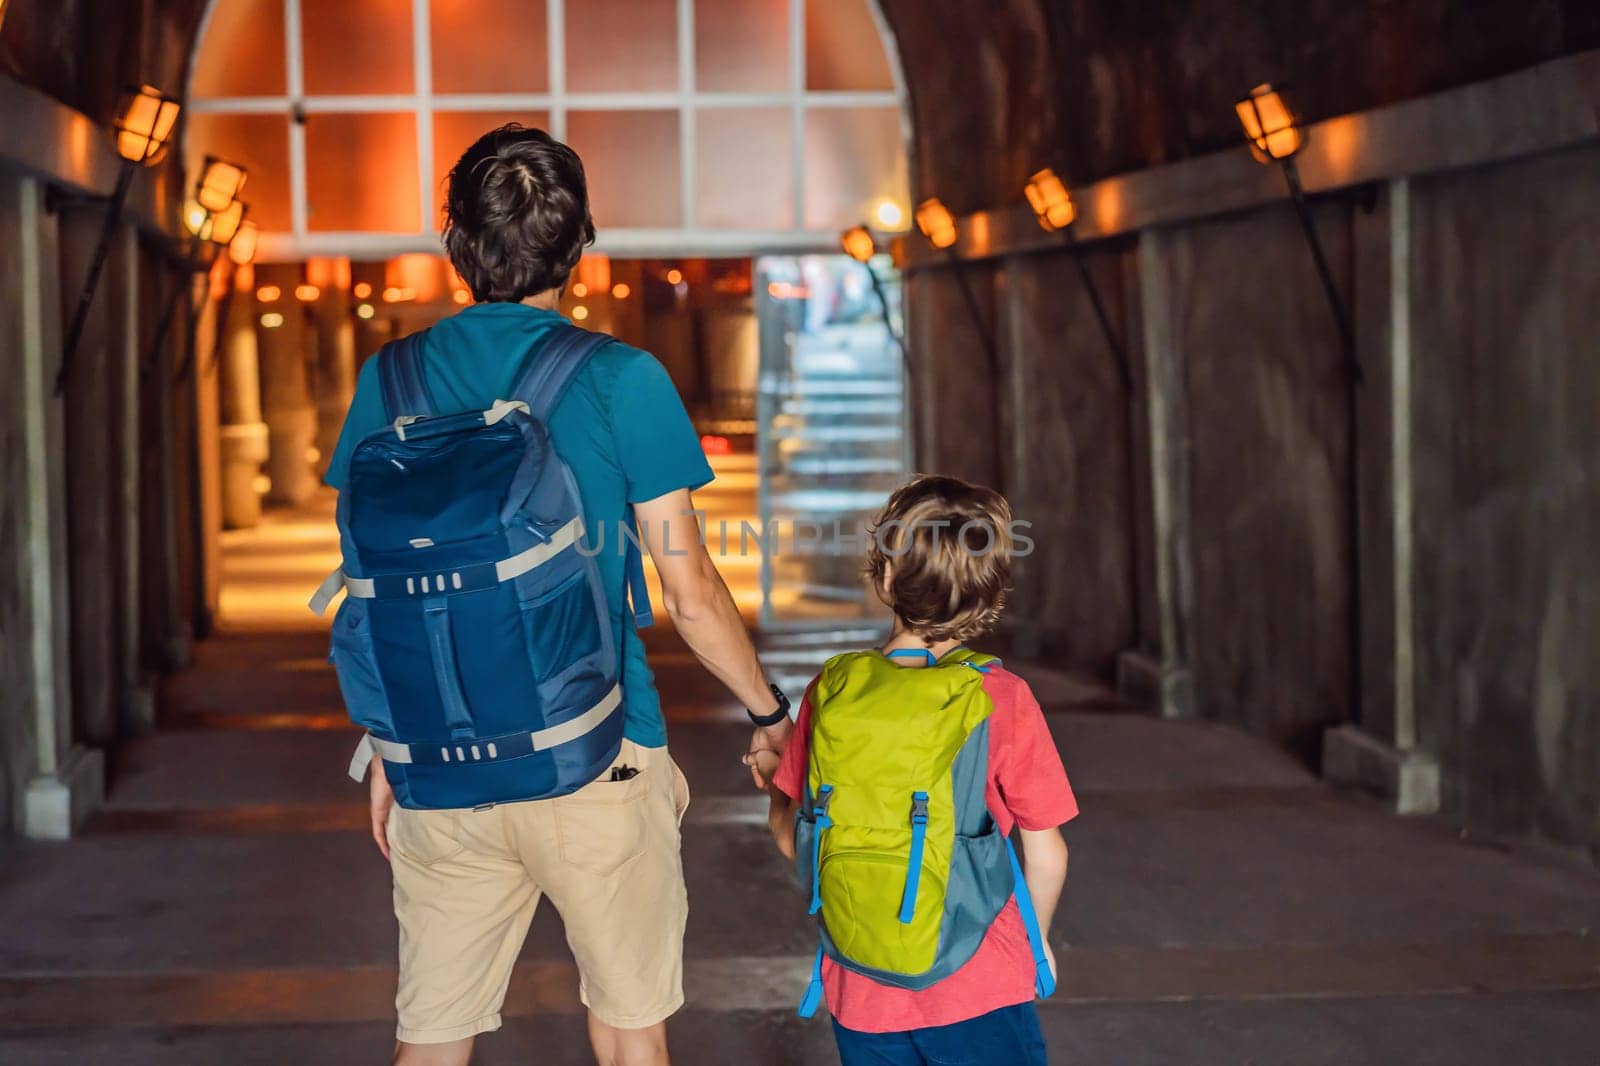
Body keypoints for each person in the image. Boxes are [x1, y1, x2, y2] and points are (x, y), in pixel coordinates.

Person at [324, 124, 792, 1066]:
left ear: (452, 240)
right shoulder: (622, 379)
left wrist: (387, 743)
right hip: (601, 748)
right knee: (628, 1033)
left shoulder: (392, 377)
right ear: (581, 244)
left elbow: (372, 585)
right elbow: (688, 586)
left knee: (433, 1039)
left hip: (441, 761)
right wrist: (768, 710)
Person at [761, 475, 1075, 1066]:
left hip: (861, 989)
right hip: (979, 984)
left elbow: (793, 841)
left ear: (884, 577)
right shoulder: (1000, 697)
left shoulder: (831, 689)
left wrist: (772, 781)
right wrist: (1037, 947)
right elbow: (1048, 852)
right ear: (989, 592)